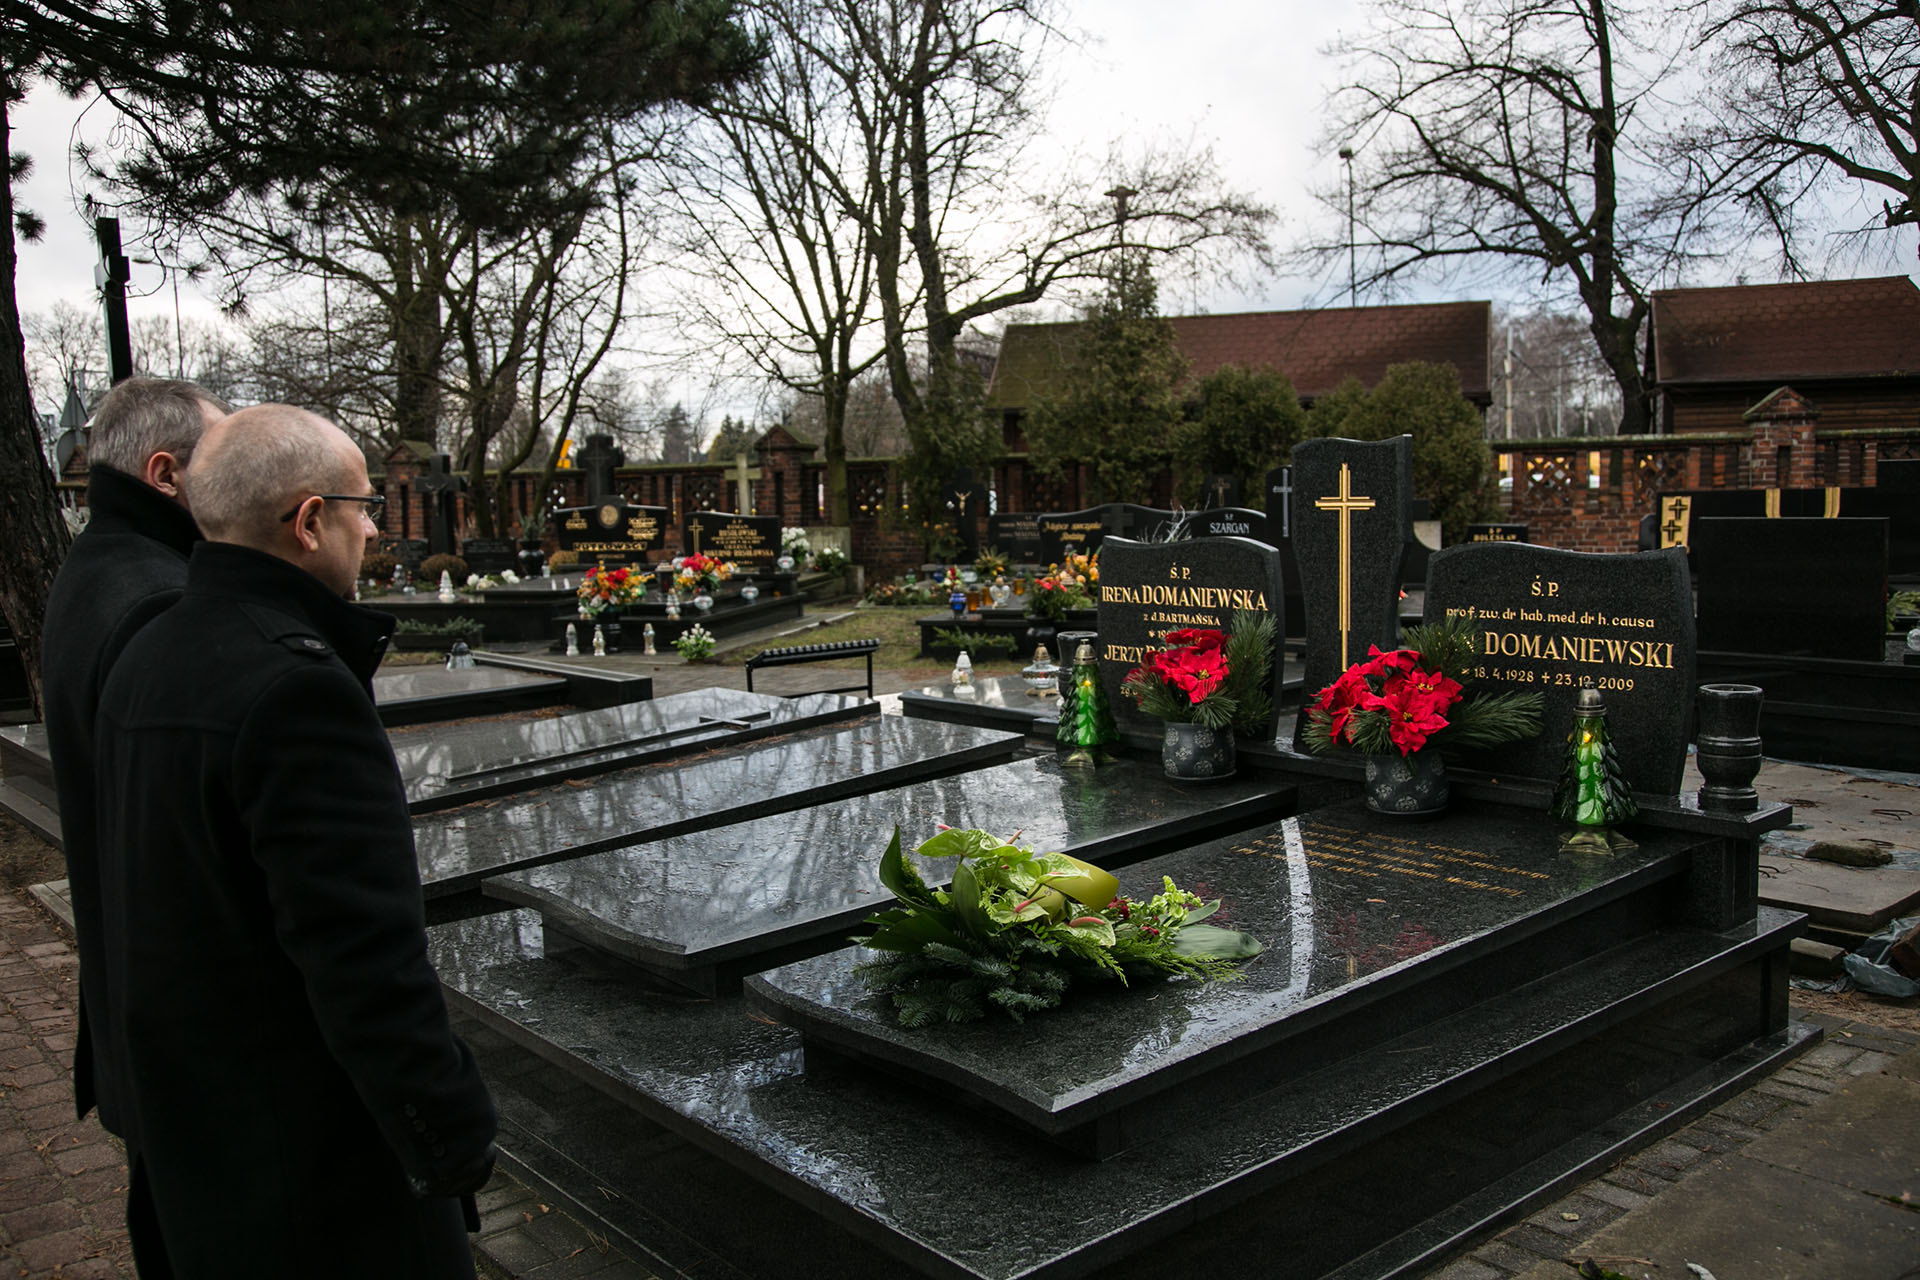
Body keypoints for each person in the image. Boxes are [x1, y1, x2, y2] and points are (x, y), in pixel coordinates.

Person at [92, 404, 496, 1277]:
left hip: (199, 1140)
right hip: (315, 1174)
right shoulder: (297, 690)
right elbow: (362, 955)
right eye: (364, 506)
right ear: (310, 522)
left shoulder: (147, 650)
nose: (375, 529)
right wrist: (449, 1134)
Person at [40, 376, 229, 1136]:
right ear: (166, 474)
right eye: (220, 458)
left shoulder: (96, 567)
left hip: (138, 1004)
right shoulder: (163, 601)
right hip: (191, 1031)